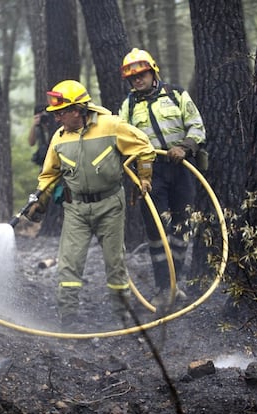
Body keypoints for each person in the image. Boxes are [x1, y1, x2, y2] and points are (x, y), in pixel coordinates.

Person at [24, 79, 156, 330]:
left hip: (110, 205)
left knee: (115, 263)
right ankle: (68, 318)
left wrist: (145, 176)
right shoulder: (59, 138)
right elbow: (49, 174)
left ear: (77, 110)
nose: (57, 119)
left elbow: (144, 148)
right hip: (76, 208)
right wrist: (39, 200)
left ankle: (123, 316)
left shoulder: (112, 126)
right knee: (69, 263)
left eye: (61, 113)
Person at [119, 48, 206, 309]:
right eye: (132, 77)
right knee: (156, 232)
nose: (137, 80)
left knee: (182, 226)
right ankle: (162, 287)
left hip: (181, 168)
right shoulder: (128, 106)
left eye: (142, 74)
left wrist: (185, 147)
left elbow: (197, 125)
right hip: (149, 174)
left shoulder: (177, 95)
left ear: (152, 71)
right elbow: (121, 139)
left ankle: (176, 283)